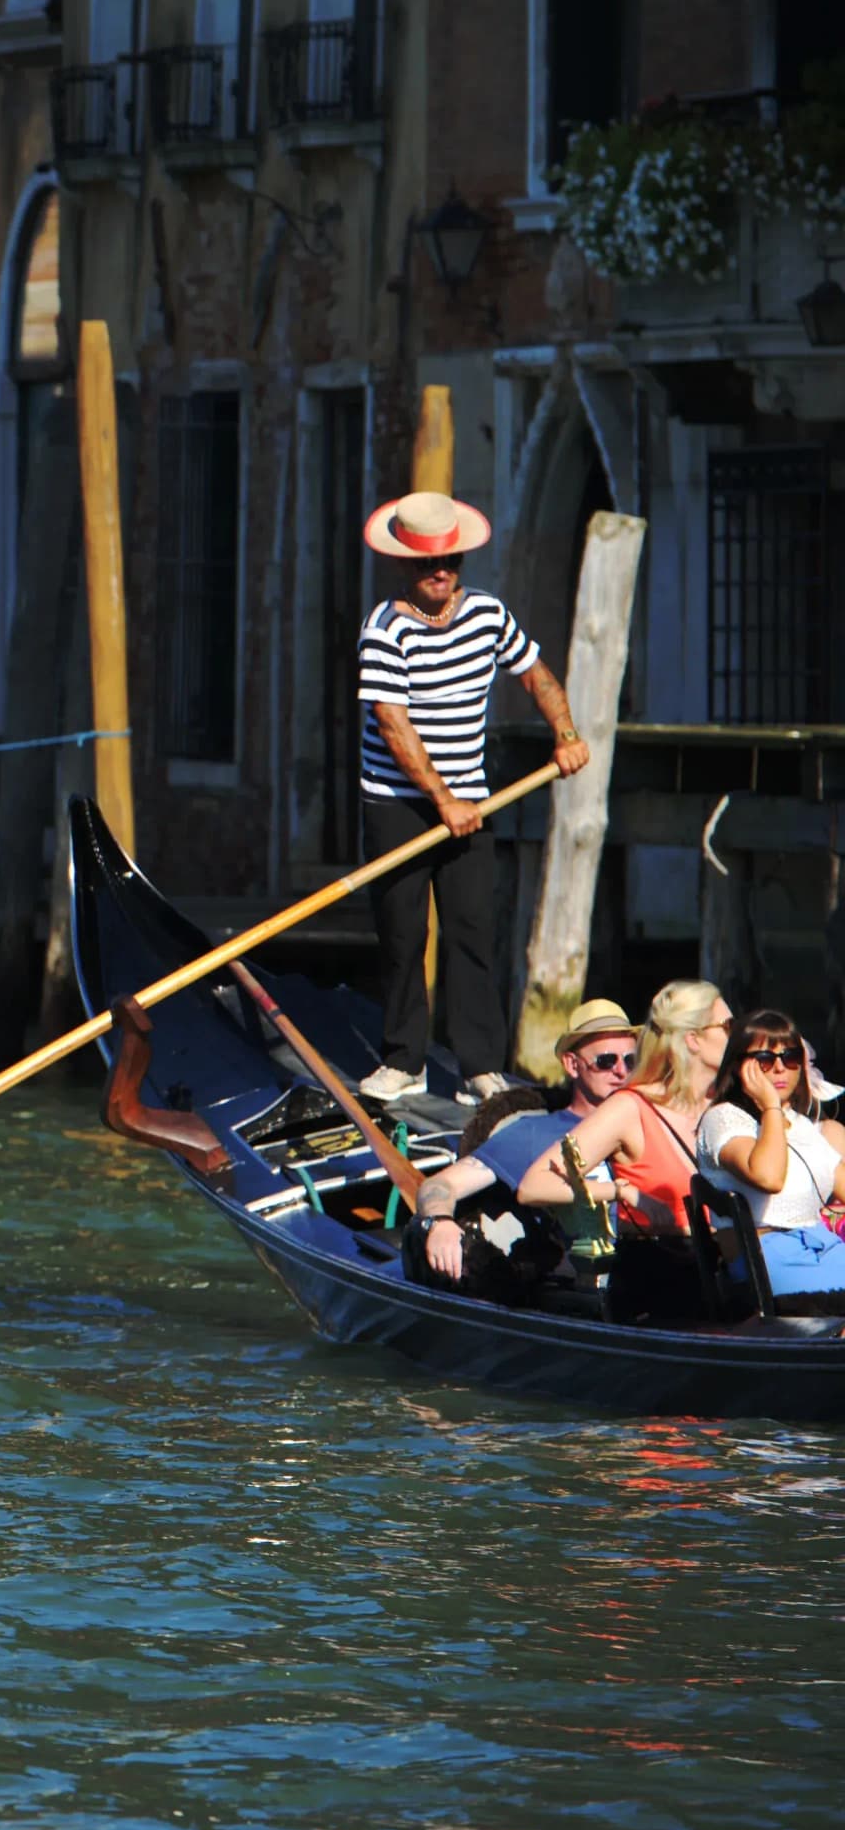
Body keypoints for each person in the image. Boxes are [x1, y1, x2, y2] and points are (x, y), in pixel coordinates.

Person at [346, 491, 590, 1102]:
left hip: (471, 803)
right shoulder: (384, 629)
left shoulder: (487, 614)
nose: (441, 572)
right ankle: (404, 1060)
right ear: (405, 565)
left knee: (472, 932)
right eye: (430, 563)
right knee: (403, 934)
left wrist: (563, 731)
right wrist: (441, 798)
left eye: (450, 561)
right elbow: (392, 724)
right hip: (396, 804)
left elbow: (534, 673)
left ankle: (480, 1066)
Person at [412, 997, 644, 1285]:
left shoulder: (652, 1124)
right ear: (572, 1065)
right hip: (591, 1282)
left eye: (630, 1061)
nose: (621, 1072)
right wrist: (439, 1223)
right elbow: (439, 1185)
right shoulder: (533, 1132)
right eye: (606, 1061)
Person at [517, 979, 729, 1236]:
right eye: (728, 1026)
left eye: (627, 1059)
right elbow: (534, 1186)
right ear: (693, 1039)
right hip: (662, 1267)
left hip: (729, 1267)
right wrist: (621, 1191)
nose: (737, 1035)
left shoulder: (728, 1105)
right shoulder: (631, 1108)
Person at [696, 1010, 845, 1302]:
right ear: (739, 1066)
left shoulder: (802, 1125)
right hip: (765, 1258)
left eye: (789, 1057)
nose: (779, 1069)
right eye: (765, 1059)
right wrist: (770, 1108)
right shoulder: (724, 1118)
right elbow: (769, 1177)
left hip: (821, 1246)